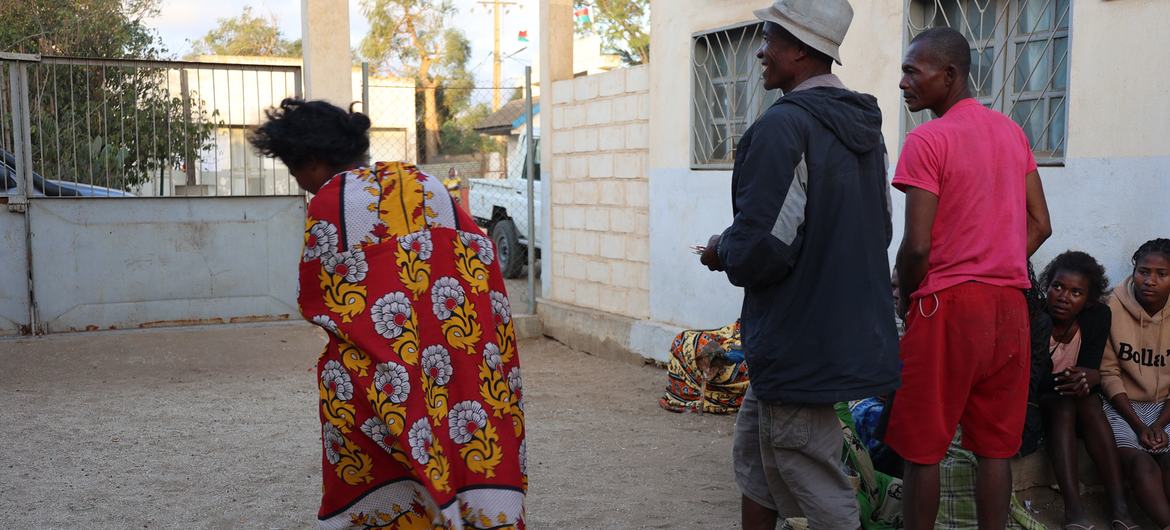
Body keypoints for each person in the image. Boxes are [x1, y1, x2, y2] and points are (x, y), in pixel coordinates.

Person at [249, 99, 526, 529]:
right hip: (450, 368)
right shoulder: (427, 184)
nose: (301, 184)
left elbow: (316, 298)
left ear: (314, 161)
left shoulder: (329, 203)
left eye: (295, 171)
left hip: (373, 384)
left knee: (380, 477)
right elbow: (480, 259)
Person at [698, 0, 901, 527]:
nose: (761, 51)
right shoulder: (866, 131)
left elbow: (764, 248)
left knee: (813, 475)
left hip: (797, 339)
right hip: (834, 335)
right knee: (757, 462)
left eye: (769, 39)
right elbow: (881, 230)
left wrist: (723, 251)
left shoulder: (783, 127)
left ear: (801, 52)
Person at [885, 27, 1052, 530]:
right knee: (996, 450)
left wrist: (906, 291)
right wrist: (993, 260)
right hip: (1009, 309)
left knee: (923, 449)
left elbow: (916, 247)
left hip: (947, 308)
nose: (903, 83)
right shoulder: (1012, 133)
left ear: (950, 75)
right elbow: (1041, 223)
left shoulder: (928, 139)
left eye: (913, 71)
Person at [1036, 252, 1136, 529]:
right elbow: (1031, 379)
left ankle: (1120, 507)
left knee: (1089, 401)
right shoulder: (1036, 318)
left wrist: (1092, 377)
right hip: (1039, 404)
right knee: (1065, 403)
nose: (1064, 296)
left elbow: (1090, 367)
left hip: (1078, 401)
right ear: (1048, 286)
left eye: (1076, 292)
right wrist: (1080, 379)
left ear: (1089, 299)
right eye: (1058, 287)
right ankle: (1074, 510)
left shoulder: (1098, 316)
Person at [1098, 238, 1170, 528]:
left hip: (1165, 406)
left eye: (1161, 274)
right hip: (1122, 405)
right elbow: (1108, 372)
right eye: (1143, 271)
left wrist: (1160, 423)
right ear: (1134, 270)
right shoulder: (1110, 307)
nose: (1150, 281)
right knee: (1141, 466)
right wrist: (1140, 425)